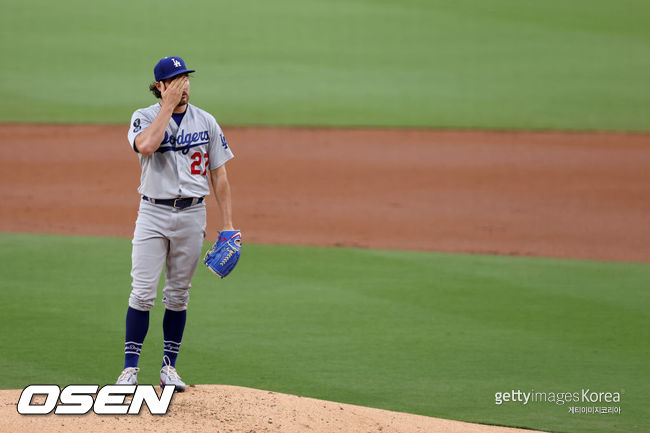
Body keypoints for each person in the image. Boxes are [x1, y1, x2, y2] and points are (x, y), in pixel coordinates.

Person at [116, 56, 235, 391]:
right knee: (141, 294)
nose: (184, 85)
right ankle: (129, 370)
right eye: (176, 80)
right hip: (152, 214)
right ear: (160, 86)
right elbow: (148, 146)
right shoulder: (143, 118)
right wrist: (166, 107)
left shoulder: (207, 121)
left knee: (178, 296)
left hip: (192, 214)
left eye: (186, 78)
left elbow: (219, 174)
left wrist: (227, 225)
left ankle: (169, 368)